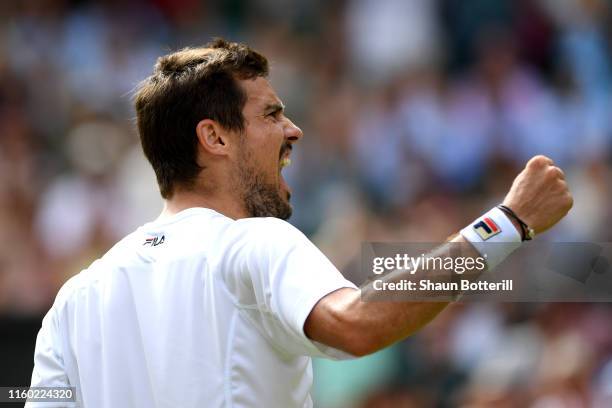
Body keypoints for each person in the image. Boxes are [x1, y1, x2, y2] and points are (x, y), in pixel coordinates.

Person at [28, 39, 573, 408]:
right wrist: (507, 222)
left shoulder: (74, 301)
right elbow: (358, 322)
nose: (294, 130)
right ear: (214, 138)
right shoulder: (253, 242)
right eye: (269, 114)